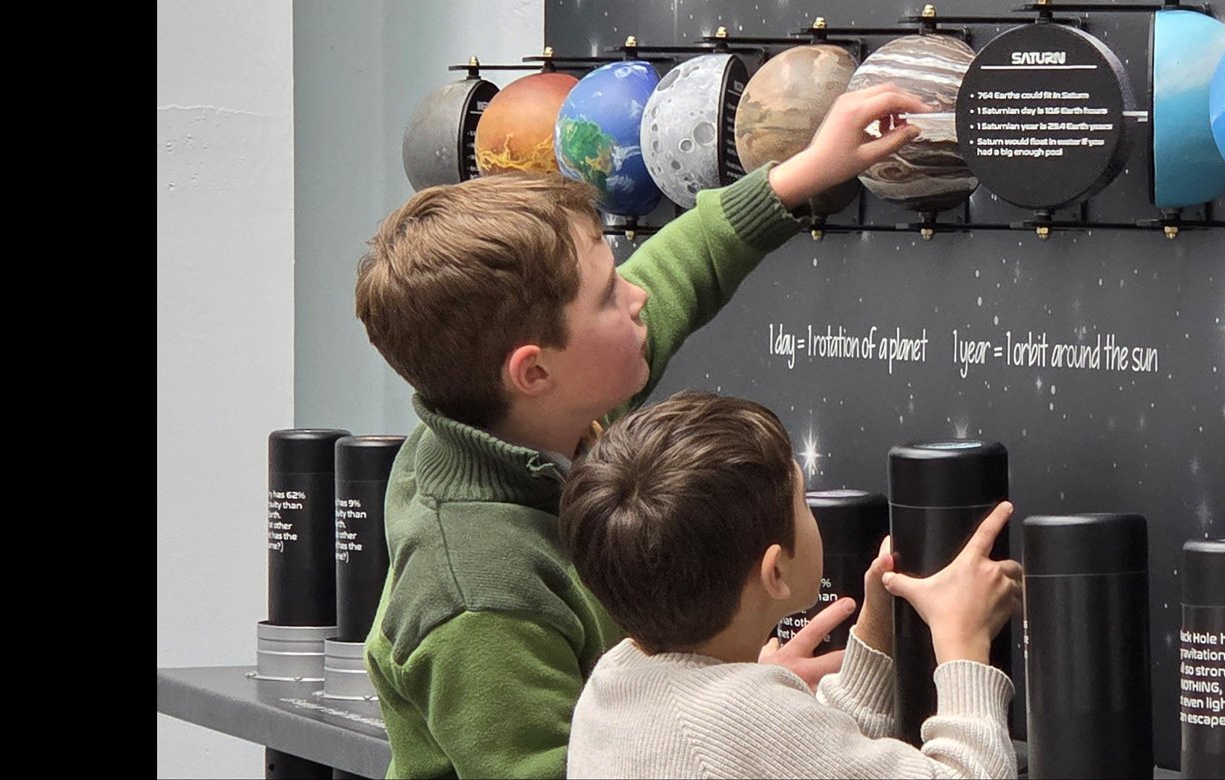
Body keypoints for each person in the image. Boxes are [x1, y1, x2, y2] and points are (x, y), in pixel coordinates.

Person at [354, 82, 933, 779]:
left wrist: (804, 171)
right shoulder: (477, 591)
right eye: (608, 295)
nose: (640, 296)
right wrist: (724, 708)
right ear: (533, 371)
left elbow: (683, 264)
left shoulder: (555, 405)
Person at [558, 391, 1024, 779]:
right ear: (775, 572)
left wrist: (876, 629)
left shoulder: (613, 681)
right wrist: (964, 642)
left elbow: (812, 761)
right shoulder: (739, 721)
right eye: (801, 499)